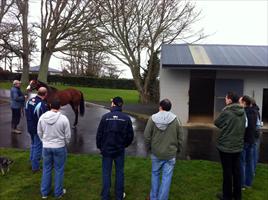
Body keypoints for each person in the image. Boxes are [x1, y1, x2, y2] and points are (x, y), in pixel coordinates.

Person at [144, 99, 183, 200]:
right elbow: (180, 138)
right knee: (167, 177)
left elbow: (147, 136)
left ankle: (153, 197)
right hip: (170, 154)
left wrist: (148, 148)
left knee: (155, 174)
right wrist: (178, 150)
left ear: (160, 106)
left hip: (156, 153)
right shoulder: (176, 119)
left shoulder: (152, 118)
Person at [96, 96, 134, 200]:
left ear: (114, 104)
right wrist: (123, 145)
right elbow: (130, 136)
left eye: (112, 102)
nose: (111, 104)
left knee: (107, 173)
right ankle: (118, 196)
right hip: (118, 150)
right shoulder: (125, 118)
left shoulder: (106, 117)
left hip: (109, 150)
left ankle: (106, 196)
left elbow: (99, 135)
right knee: (119, 172)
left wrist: (100, 147)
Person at [214, 92, 246, 200]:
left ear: (230, 100)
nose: (225, 100)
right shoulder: (243, 111)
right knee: (236, 171)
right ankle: (237, 196)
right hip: (238, 146)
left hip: (226, 147)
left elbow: (217, 123)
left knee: (227, 172)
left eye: (226, 98)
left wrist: (224, 111)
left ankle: (226, 196)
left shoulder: (227, 111)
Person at [37, 99, 71, 199]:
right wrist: (65, 143)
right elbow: (68, 135)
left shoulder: (43, 117)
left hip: (46, 147)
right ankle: (58, 193)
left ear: (50, 106)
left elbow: (39, 132)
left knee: (46, 169)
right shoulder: (64, 119)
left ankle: (44, 193)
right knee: (59, 170)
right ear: (59, 107)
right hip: (59, 147)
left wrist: (44, 141)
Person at [25, 87, 49, 172]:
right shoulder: (42, 104)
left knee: (33, 144)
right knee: (38, 147)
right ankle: (35, 167)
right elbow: (45, 119)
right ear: (45, 94)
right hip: (37, 129)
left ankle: (31, 161)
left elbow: (26, 112)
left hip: (29, 126)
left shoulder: (29, 100)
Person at [239, 95, 257, 189]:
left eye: (240, 102)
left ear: (244, 103)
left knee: (241, 162)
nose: (239, 103)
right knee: (249, 162)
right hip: (252, 140)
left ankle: (241, 184)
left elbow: (243, 127)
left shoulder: (243, 113)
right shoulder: (254, 112)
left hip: (245, 140)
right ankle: (248, 183)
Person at [251, 99, 262, 174]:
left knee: (252, 154)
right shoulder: (256, 111)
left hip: (254, 136)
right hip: (256, 135)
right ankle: (253, 170)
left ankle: (252, 171)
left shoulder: (253, 112)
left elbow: (255, 126)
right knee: (255, 153)